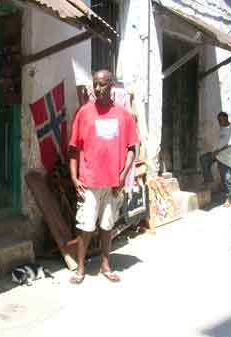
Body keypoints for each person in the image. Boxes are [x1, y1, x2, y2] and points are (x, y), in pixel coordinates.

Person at [69, 70, 138, 284]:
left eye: (102, 85)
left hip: (113, 183)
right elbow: (73, 148)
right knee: (86, 226)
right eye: (95, 84)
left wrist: (123, 175)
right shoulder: (84, 113)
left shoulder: (123, 115)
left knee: (107, 226)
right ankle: (80, 268)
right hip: (89, 181)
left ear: (111, 86)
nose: (97, 89)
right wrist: (74, 176)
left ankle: (106, 264)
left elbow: (132, 148)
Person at [200, 111, 231, 207]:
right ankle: (209, 179)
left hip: (226, 157)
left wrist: (218, 150)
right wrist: (215, 150)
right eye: (218, 120)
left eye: (221, 120)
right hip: (217, 154)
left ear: (226, 118)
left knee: (226, 178)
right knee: (204, 159)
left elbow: (230, 144)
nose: (219, 122)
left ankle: (228, 198)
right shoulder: (221, 128)